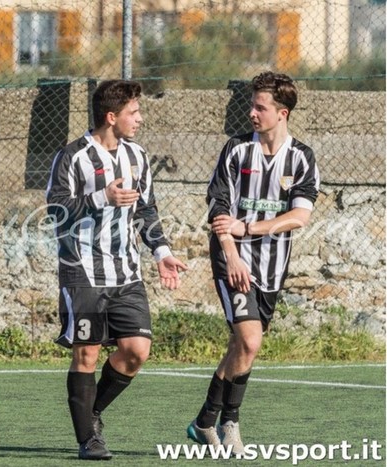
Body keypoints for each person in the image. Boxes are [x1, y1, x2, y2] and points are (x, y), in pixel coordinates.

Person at [46, 79, 187, 460]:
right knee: (87, 355)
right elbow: (55, 212)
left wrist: (161, 253)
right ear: (112, 117)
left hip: (126, 274)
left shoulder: (137, 156)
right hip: (83, 273)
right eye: (133, 112)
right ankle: (88, 439)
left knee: (136, 351)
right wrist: (100, 197)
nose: (139, 119)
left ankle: (90, 411)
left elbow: (145, 209)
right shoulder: (73, 156)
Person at [186, 71, 320, 455]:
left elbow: (299, 216)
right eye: (252, 105)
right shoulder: (236, 150)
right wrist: (231, 253)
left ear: (283, 113)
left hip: (271, 268)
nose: (251, 113)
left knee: (243, 347)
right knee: (249, 338)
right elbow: (219, 209)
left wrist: (249, 227)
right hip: (233, 260)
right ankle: (230, 424)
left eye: (260, 107)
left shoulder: (302, 158)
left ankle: (203, 422)